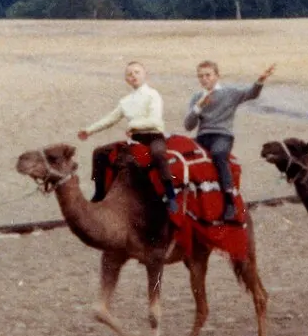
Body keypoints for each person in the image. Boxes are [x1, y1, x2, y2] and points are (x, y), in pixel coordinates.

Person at [183, 60, 275, 222]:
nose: (204, 79)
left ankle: (229, 201)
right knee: (185, 157)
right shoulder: (197, 97)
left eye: (208, 75)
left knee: (218, 154)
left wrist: (260, 80)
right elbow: (188, 126)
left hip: (222, 135)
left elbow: (251, 94)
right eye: (201, 76)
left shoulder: (229, 93)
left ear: (217, 76)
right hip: (202, 136)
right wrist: (198, 107)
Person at [78, 61, 171, 207]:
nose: (133, 76)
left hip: (153, 136)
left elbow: (155, 120)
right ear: (126, 79)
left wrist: (133, 125)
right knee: (100, 153)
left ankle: (169, 193)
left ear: (145, 74)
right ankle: (100, 192)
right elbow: (110, 119)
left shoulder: (153, 95)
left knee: (158, 154)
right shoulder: (126, 101)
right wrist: (89, 130)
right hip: (135, 139)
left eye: (137, 72)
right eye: (129, 74)